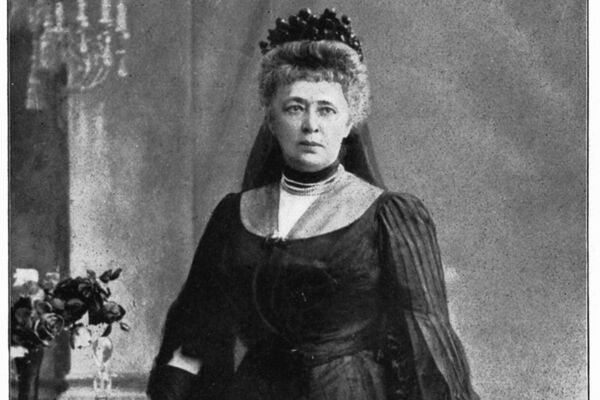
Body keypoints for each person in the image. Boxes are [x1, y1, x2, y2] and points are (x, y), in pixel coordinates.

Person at [147, 8, 479, 400]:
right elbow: (194, 333)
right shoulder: (233, 215)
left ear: (349, 122)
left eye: (326, 109)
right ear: (272, 121)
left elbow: (426, 349)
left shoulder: (388, 216)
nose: (310, 125)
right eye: (294, 107)